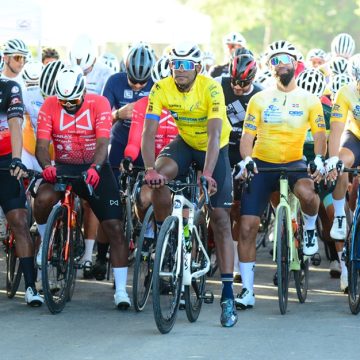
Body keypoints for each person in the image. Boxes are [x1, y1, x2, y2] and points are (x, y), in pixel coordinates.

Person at [142, 42, 237, 328]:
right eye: (175, 64)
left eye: (186, 65)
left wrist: (207, 174)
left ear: (197, 67)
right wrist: (149, 169)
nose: (180, 70)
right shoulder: (161, 87)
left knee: (220, 219)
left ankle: (229, 295)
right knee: (160, 177)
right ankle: (166, 237)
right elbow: (149, 131)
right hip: (184, 143)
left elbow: (214, 134)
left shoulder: (211, 88)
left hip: (213, 148)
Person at [235, 40, 327, 310]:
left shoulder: (310, 100)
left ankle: (309, 230)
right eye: (275, 60)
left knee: (308, 193)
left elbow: (320, 136)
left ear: (296, 63)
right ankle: (248, 291)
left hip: (296, 163)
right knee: (248, 226)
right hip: (263, 165)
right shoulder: (259, 99)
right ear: (269, 66)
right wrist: (247, 159)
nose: (280, 64)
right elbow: (247, 136)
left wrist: (319, 158)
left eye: (285, 59)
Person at [34, 65, 131, 309]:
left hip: (94, 168)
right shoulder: (49, 105)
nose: (68, 105)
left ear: (84, 91)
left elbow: (102, 143)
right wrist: (47, 165)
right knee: (43, 198)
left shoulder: (98, 104)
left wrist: (95, 168)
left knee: (114, 227)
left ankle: (120, 290)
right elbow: (42, 146)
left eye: (74, 100)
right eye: (63, 101)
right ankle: (45, 243)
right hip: (63, 167)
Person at [215, 51, 263, 281]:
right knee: (215, 209)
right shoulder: (219, 84)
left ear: (252, 80)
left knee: (236, 209)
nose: (237, 86)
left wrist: (250, 160)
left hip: (246, 152)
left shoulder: (261, 95)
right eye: (234, 80)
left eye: (243, 83)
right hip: (222, 149)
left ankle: (233, 261)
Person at [69, 34, 113, 276]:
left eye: (86, 68)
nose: (83, 73)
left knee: (89, 200)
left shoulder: (105, 74)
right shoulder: (66, 70)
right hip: (68, 139)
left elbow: (108, 113)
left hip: (95, 138)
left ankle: (88, 253)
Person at [0, 77, 43, 306]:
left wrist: (17, 159)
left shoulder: (10, 87)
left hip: (6, 160)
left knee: (19, 221)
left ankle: (29, 286)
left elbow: (15, 123)